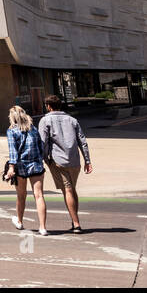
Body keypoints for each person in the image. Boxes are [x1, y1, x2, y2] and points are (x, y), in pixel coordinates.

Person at [38, 95, 93, 233]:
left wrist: (43, 159)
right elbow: (83, 141)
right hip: (75, 161)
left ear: (48, 106)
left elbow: (43, 142)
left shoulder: (45, 120)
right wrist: (87, 160)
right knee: (72, 189)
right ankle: (74, 219)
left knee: (67, 190)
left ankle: (76, 223)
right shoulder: (72, 120)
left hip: (58, 161)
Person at [5, 105, 49, 235]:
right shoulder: (33, 129)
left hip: (21, 167)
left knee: (21, 195)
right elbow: (41, 146)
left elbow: (13, 151)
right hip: (36, 165)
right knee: (39, 195)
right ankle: (42, 227)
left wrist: (11, 167)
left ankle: (19, 221)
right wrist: (41, 160)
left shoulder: (12, 131)